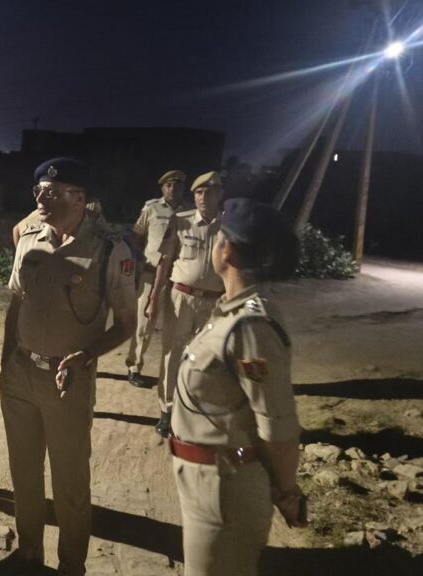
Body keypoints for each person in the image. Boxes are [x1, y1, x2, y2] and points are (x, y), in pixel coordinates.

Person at [0, 158, 137, 575]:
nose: (42, 198)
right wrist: (7, 361)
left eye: (53, 192)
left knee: (70, 484)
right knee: (24, 475)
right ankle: (29, 554)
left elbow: (127, 324)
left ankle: (71, 565)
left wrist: (88, 355)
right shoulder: (29, 239)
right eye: (39, 190)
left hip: (68, 382)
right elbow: (16, 303)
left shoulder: (109, 250)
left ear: (79, 198)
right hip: (20, 375)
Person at [170, 198, 306, 576]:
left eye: (218, 240)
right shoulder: (231, 310)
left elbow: (278, 426)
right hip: (205, 480)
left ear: (226, 250)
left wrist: (286, 494)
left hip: (224, 489)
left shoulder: (251, 326)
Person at [146, 171, 224, 438]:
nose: (203, 197)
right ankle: (167, 410)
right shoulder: (180, 222)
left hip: (214, 301)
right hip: (180, 298)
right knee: (173, 354)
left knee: (207, 356)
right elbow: (164, 263)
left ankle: (196, 408)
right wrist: (154, 298)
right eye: (199, 192)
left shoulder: (228, 228)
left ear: (220, 195)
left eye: (209, 192)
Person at [124, 170, 191, 389]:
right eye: (168, 185)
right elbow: (136, 236)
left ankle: (175, 370)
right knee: (144, 324)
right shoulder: (151, 209)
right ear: (162, 188)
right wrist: (140, 260)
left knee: (178, 326)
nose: (173, 189)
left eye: (177, 186)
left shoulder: (189, 212)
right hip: (151, 274)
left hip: (178, 277)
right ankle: (134, 367)